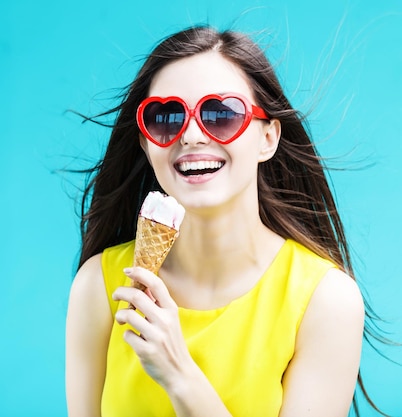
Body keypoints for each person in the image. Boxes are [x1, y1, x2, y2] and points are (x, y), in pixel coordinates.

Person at [65, 25, 381, 417]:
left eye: (221, 114)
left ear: (268, 138)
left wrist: (180, 376)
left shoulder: (325, 300)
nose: (193, 135)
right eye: (166, 116)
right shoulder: (100, 285)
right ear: (147, 144)